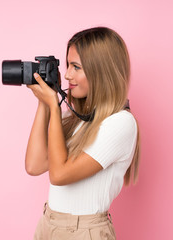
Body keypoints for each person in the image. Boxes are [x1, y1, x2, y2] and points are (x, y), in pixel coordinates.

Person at [26, 26, 140, 240]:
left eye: (76, 67)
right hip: (48, 223)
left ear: (101, 71)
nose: (67, 74)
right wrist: (44, 103)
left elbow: (59, 175)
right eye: (68, 65)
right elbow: (34, 165)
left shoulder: (121, 123)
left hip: (83, 231)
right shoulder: (75, 117)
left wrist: (53, 105)